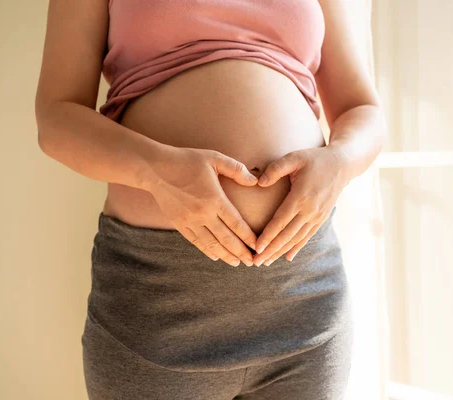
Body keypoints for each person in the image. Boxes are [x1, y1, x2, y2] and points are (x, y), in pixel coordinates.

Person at [34, 0, 386, 398]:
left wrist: (339, 161)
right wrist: (157, 169)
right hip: (161, 300)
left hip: (303, 294)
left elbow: (363, 108)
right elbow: (57, 118)